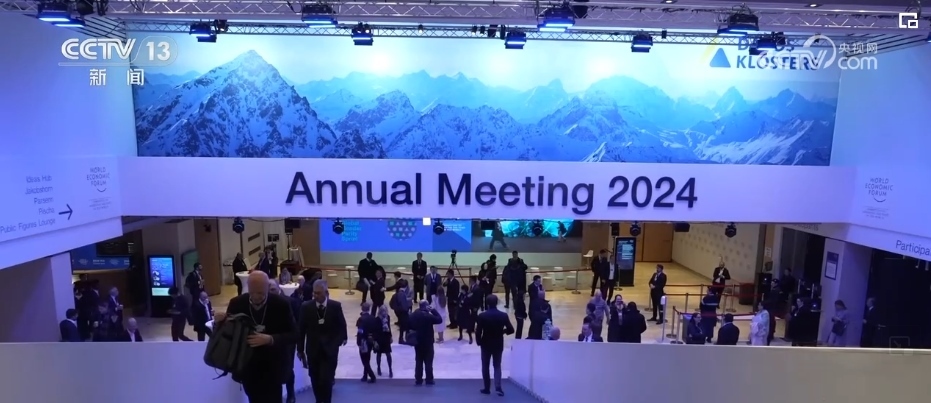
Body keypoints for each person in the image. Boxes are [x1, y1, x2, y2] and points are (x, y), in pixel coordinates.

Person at [215, 271, 297, 403]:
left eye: (260, 293)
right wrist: (220, 322)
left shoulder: (281, 304)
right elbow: (227, 334)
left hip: (273, 368)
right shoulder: (237, 303)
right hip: (247, 367)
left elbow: (294, 334)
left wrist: (271, 339)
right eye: (252, 292)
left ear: (267, 288)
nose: (255, 297)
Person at [297, 281, 348, 403]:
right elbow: (301, 329)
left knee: (326, 379)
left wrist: (338, 341)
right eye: (314, 293)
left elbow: (342, 326)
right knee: (315, 378)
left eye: (318, 293)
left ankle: (326, 400)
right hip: (313, 349)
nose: (315, 296)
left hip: (330, 351)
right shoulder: (306, 307)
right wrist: (300, 349)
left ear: (326, 292)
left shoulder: (335, 306)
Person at [475, 295, 514, 396]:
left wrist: (479, 342)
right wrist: (503, 331)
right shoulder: (503, 315)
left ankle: (486, 388)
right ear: (496, 303)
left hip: (486, 343)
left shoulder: (482, 316)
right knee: (497, 365)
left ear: (487, 303)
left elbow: (478, 331)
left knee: (485, 366)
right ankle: (498, 387)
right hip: (498, 342)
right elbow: (511, 329)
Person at [408, 300, 443, 385]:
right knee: (428, 362)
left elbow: (408, 322)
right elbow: (439, 319)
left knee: (418, 361)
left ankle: (418, 379)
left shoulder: (414, 315)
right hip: (428, 342)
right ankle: (429, 379)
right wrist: (433, 310)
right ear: (426, 306)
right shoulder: (429, 316)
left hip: (418, 341)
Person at [355, 302, 380, 383]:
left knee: (364, 360)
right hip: (371, 340)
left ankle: (372, 376)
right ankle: (365, 375)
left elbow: (360, 332)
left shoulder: (361, 319)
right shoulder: (373, 318)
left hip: (364, 341)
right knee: (367, 358)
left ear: (362, 308)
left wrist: (358, 342)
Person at [388, 279, 413, 345]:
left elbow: (391, 304)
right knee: (405, 325)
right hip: (403, 312)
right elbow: (404, 305)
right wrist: (407, 310)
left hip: (398, 311)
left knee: (403, 325)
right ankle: (403, 339)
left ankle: (403, 338)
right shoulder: (402, 294)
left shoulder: (397, 294)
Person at [374, 305, 394, 378]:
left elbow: (389, 327)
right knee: (379, 354)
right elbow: (375, 331)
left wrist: (390, 336)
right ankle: (378, 367)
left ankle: (390, 369)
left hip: (386, 338)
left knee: (388, 354)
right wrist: (375, 341)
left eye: (385, 311)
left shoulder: (387, 317)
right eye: (383, 311)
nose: (384, 312)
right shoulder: (377, 319)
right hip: (379, 338)